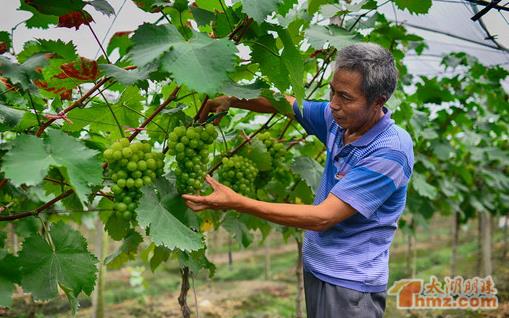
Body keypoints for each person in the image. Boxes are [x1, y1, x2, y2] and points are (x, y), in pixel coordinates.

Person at [182, 42, 414, 318]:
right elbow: (287, 105)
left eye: (345, 97)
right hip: (318, 267)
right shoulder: (340, 122)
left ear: (379, 101)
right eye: (332, 91)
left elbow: (323, 217)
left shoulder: (390, 151)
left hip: (350, 284)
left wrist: (237, 202)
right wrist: (232, 99)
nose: (333, 104)